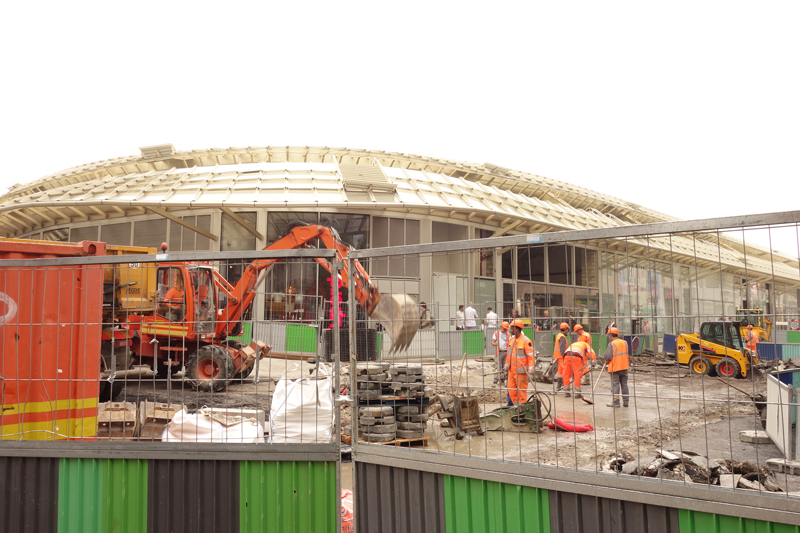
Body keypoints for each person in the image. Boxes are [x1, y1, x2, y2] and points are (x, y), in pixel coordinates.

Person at [504, 319, 535, 404]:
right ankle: (516, 409)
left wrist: (530, 372)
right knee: (511, 391)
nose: (510, 330)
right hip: (511, 372)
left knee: (521, 393)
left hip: (521, 372)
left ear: (517, 329)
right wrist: (506, 369)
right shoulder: (511, 340)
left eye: (511, 328)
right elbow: (508, 356)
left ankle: (523, 410)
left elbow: (531, 357)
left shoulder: (526, 341)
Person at [604, 327, 630, 407]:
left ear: (611, 335)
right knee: (624, 384)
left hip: (615, 368)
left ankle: (616, 402)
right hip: (624, 367)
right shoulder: (625, 342)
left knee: (615, 385)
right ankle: (626, 402)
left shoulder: (612, 344)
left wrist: (606, 361)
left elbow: (607, 356)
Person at [491, 321, 510, 386]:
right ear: (501, 327)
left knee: (504, 367)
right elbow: (492, 342)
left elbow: (510, 343)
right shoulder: (496, 333)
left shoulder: (508, 334)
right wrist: (495, 343)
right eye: (504, 328)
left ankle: (502, 379)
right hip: (499, 352)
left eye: (506, 329)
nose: (505, 330)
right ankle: (495, 379)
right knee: (498, 366)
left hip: (506, 352)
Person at [553, 322, 569, 392]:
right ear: (565, 329)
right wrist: (565, 356)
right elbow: (562, 348)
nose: (568, 331)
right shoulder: (562, 337)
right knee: (564, 371)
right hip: (562, 357)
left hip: (559, 357)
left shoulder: (559, 335)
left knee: (560, 371)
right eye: (567, 329)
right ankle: (564, 385)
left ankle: (559, 385)